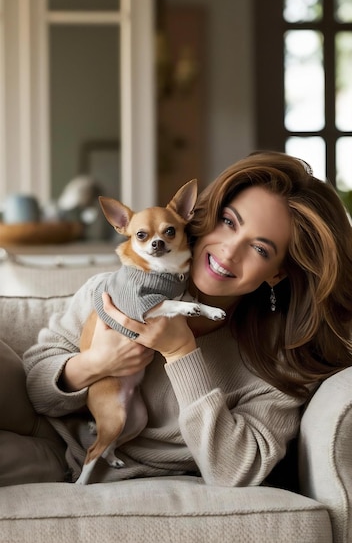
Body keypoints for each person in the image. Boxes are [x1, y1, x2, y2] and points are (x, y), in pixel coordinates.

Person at [20, 150, 352, 486]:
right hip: (50, 449)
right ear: (203, 217)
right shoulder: (114, 291)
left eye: (260, 249)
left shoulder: (282, 360)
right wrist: (98, 363)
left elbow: (236, 471)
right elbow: (34, 388)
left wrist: (181, 352)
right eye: (229, 222)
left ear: (278, 274)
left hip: (137, 485)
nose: (229, 250)